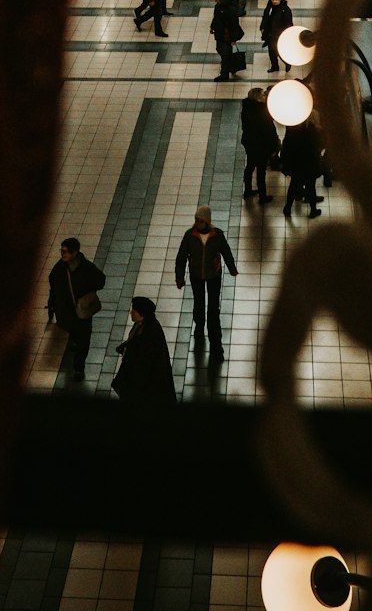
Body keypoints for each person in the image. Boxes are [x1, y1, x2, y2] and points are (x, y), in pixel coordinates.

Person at [174, 205, 238, 358]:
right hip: (196, 275)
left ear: (208, 221)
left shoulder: (217, 235)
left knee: (213, 308)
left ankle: (216, 344)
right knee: (199, 303)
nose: (198, 223)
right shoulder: (190, 236)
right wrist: (179, 276)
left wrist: (232, 268)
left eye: (201, 221)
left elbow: (226, 252)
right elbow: (181, 256)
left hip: (213, 275)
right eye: (196, 220)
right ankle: (199, 325)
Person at [46, 238, 107, 381]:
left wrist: (86, 290)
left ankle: (79, 367)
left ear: (75, 252)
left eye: (65, 252)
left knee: (84, 338)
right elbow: (53, 286)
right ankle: (75, 341)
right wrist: (52, 304)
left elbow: (101, 281)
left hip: (82, 310)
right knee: (72, 330)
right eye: (61, 251)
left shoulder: (87, 268)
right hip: (66, 311)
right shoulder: (60, 268)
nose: (62, 254)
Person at [110, 297, 177, 405]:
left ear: (142, 314)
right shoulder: (143, 324)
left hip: (148, 382)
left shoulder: (150, 333)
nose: (131, 313)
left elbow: (144, 363)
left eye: (134, 311)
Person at [281, 111, 325, 219]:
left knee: (293, 185)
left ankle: (287, 208)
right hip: (310, 163)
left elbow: (286, 145)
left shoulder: (292, 127)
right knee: (311, 186)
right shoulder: (312, 129)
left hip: (296, 163)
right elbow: (319, 145)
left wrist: (285, 161)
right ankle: (313, 210)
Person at [240, 86, 278, 202]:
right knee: (261, 170)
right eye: (263, 95)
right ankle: (262, 196)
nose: (265, 97)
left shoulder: (246, 109)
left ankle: (247, 190)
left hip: (249, 142)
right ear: (257, 98)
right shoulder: (263, 111)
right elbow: (269, 130)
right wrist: (274, 144)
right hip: (261, 145)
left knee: (250, 166)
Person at [209, 0, 245, 81]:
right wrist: (212, 27)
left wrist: (233, 39)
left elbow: (234, 25)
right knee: (220, 49)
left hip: (226, 36)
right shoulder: (218, 6)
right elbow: (215, 17)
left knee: (225, 55)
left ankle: (224, 74)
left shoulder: (231, 9)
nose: (215, 1)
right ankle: (231, 66)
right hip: (219, 34)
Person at [260, 0, 294, 73]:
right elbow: (265, 16)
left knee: (278, 50)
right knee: (271, 51)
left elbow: (288, 23)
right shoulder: (270, 6)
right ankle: (275, 66)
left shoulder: (285, 10)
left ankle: (287, 62)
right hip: (270, 32)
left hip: (280, 34)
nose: (274, 1)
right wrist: (262, 27)